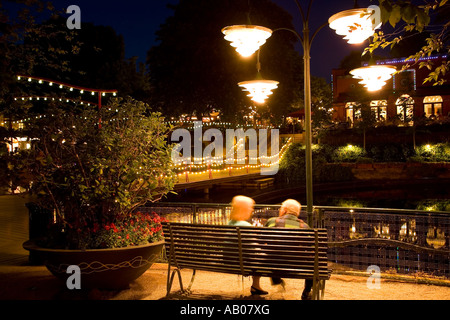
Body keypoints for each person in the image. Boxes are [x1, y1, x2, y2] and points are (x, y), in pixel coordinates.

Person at [264, 199, 313, 300]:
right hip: (297, 266)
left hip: (273, 264)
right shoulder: (304, 227)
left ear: (284, 210)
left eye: (280, 208)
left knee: (272, 254)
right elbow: (311, 249)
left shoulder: (272, 222)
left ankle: (276, 279)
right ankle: (307, 291)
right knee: (313, 261)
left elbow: (260, 241)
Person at [228, 195, 268, 296]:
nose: (251, 210)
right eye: (250, 208)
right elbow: (253, 249)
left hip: (229, 260)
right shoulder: (246, 226)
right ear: (244, 210)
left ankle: (256, 286)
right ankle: (256, 285)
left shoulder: (230, 223)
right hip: (241, 262)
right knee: (263, 257)